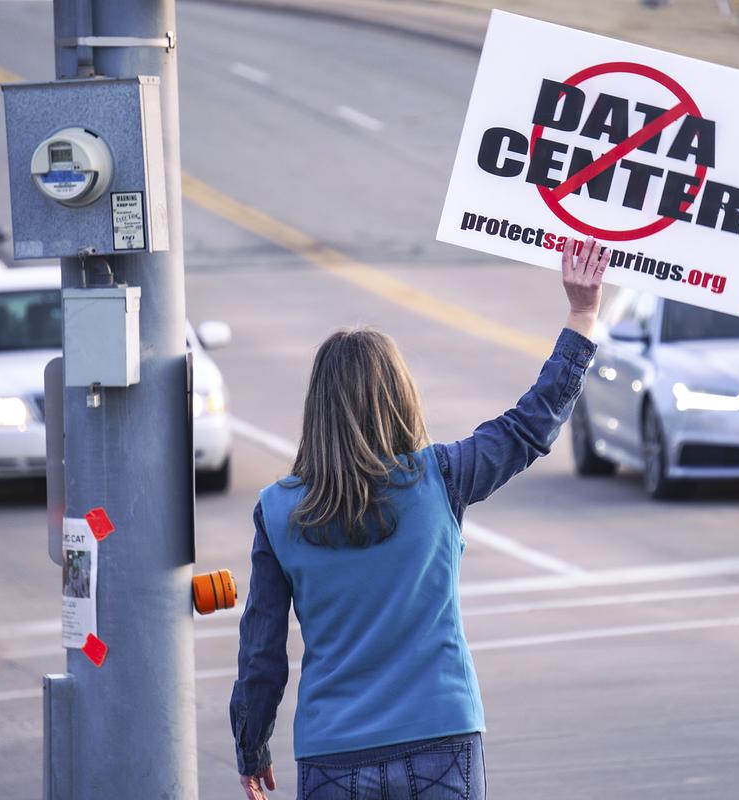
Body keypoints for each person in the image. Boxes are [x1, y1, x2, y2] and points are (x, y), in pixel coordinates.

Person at [230, 237, 609, 799]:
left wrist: (252, 743)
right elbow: (531, 426)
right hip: (442, 735)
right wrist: (582, 313)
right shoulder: (442, 478)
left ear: (318, 408)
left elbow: (262, 652)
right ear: (400, 396)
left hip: (333, 751)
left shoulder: (278, 510)